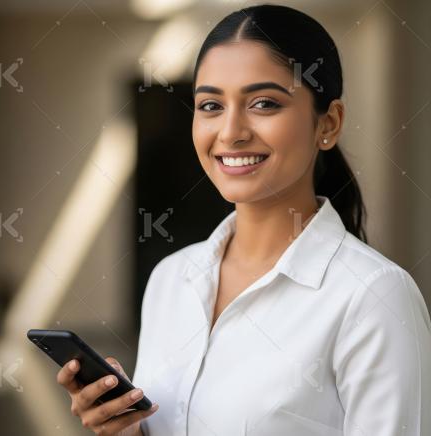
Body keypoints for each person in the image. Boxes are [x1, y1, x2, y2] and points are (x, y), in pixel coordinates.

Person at [56, 4, 431, 435]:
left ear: (328, 124)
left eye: (264, 103)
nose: (231, 131)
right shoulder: (171, 279)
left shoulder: (375, 298)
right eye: (211, 105)